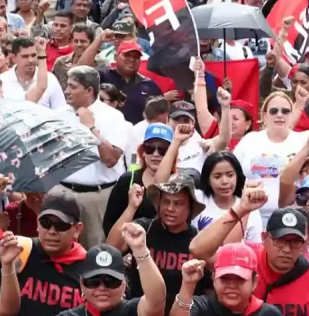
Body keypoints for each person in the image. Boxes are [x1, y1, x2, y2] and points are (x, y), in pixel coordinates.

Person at [189, 183, 309, 316]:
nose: (287, 249)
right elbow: (198, 249)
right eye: (280, 240)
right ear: (264, 238)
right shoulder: (245, 258)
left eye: (295, 242)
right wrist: (240, 209)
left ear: (304, 243)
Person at [0, 192, 88, 316]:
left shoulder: (89, 269)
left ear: (77, 229)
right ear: (37, 224)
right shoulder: (19, 248)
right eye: (46, 223)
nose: (52, 231)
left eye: (61, 225)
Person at [106, 174, 206, 314]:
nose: (170, 208)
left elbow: (207, 290)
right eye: (166, 202)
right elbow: (112, 247)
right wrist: (132, 207)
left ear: (190, 208)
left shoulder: (198, 241)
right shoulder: (145, 228)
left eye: (178, 203)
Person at [56, 65, 130, 248]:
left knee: (96, 253)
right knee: (58, 250)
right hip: (62, 192)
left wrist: (90, 128)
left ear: (89, 90)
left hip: (97, 197)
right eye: (67, 86)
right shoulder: (59, 114)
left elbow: (111, 159)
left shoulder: (113, 117)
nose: (66, 91)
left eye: (73, 87)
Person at [234, 92, 309, 225]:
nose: (279, 115)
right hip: (251, 217)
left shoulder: (304, 139)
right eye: (274, 111)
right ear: (264, 116)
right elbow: (233, 174)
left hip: (291, 217)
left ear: (292, 114)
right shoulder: (250, 139)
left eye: (285, 111)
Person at [56, 225, 167, 316]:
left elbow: (156, 302)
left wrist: (140, 250)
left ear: (124, 284)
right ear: (82, 284)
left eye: (111, 281)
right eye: (93, 281)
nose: (102, 288)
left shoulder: (131, 311)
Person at [102, 123, 174, 237]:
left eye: (163, 149)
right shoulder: (128, 180)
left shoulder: (178, 182)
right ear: (143, 152)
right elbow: (109, 223)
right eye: (149, 148)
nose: (155, 154)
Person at [174, 244, 283, 316]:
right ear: (214, 279)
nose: (231, 286)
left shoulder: (269, 313)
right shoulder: (201, 307)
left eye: (240, 279)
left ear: (254, 282)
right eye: (225, 278)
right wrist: (188, 285)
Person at [194, 151, 263, 242]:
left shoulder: (250, 208)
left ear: (237, 176)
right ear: (208, 180)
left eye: (230, 175)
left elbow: (255, 246)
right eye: (217, 176)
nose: (225, 181)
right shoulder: (197, 199)